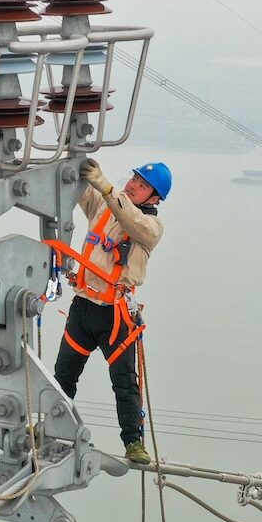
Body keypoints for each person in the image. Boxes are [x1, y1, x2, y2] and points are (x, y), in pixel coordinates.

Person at [53, 159, 171, 464]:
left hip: (114, 314)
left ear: (154, 199)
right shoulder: (105, 208)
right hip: (83, 307)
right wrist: (75, 161)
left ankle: (133, 442)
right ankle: (52, 428)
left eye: (142, 185)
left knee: (124, 383)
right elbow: (85, 193)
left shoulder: (150, 228)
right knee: (63, 375)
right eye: (133, 179)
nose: (132, 185)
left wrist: (106, 186)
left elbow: (129, 217)